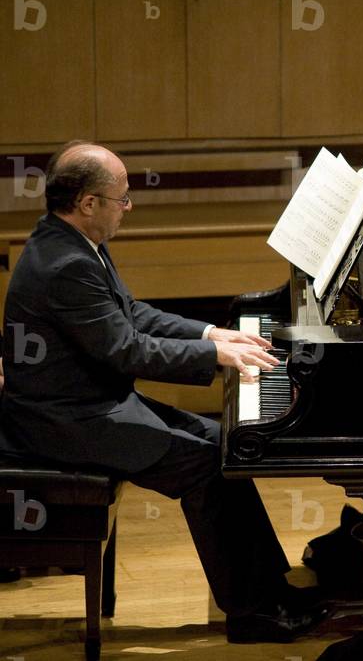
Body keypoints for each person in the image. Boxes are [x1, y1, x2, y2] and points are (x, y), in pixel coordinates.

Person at [0, 141, 328, 642]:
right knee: (206, 466)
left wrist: (209, 334)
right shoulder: (65, 265)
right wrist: (215, 358)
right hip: (65, 423)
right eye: (122, 198)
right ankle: (251, 613)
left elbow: (131, 314)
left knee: (225, 444)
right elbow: (126, 350)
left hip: (91, 402)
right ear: (89, 203)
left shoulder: (73, 242)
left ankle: (271, 590)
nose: (128, 208)